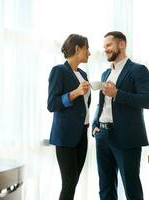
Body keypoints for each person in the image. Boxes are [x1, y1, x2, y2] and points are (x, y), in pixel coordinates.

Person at [92, 31, 149, 200]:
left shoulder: (138, 70)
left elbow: (146, 101)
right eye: (104, 47)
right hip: (102, 136)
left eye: (109, 45)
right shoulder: (105, 74)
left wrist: (117, 93)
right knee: (105, 189)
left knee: (131, 189)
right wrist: (96, 124)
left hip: (127, 137)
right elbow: (102, 103)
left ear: (121, 44)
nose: (106, 49)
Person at [47, 34, 91, 200]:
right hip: (65, 137)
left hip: (82, 134)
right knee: (68, 184)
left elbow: (84, 106)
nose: (89, 53)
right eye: (87, 49)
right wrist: (75, 93)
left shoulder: (83, 75)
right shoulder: (59, 71)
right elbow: (52, 104)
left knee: (73, 183)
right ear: (78, 49)